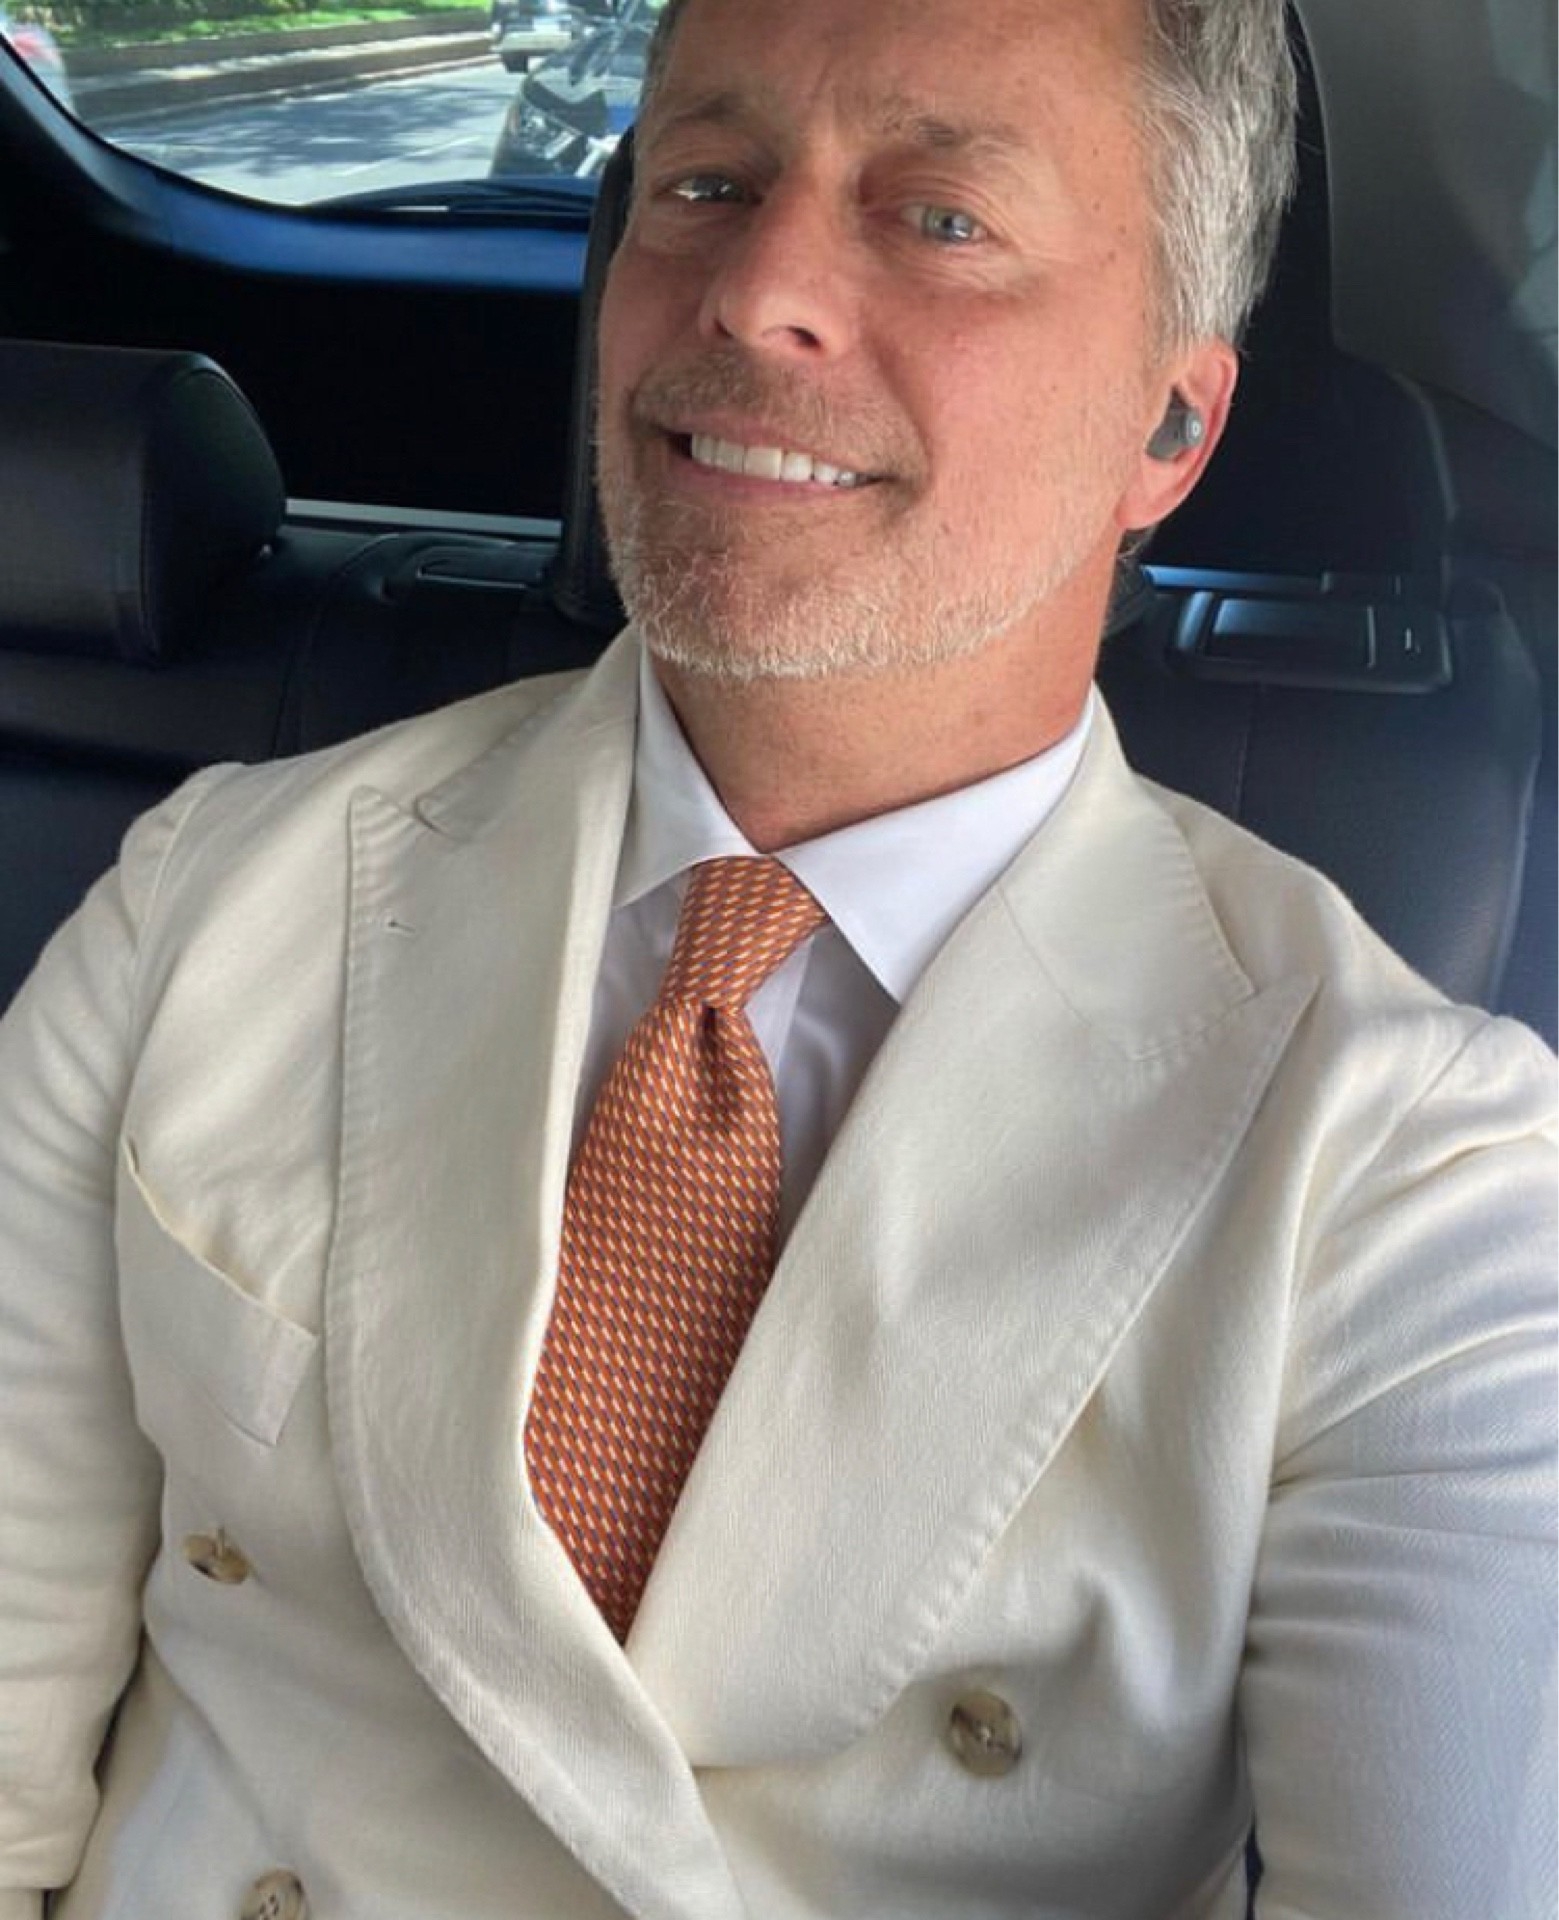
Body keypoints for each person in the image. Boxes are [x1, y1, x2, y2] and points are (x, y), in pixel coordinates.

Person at [1, 0, 1553, 1913]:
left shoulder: (1410, 1176)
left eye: (941, 217)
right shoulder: (209, 900)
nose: (753, 294)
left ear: (1170, 422)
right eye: (706, 184)